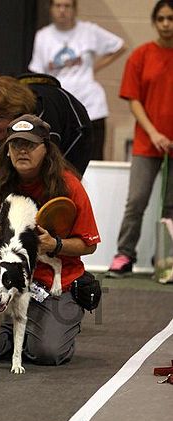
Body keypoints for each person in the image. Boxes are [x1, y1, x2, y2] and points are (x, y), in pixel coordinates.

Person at [0, 114, 100, 366]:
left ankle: (45, 327)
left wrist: (53, 245)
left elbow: (89, 244)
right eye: (15, 145)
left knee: (46, 353)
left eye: (30, 145)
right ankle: (11, 329)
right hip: (3, 278)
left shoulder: (69, 186)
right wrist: (11, 246)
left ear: (46, 149)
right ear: (7, 150)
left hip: (53, 282)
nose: (22, 151)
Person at [108, 0, 173, 277]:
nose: (166, 24)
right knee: (136, 201)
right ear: (154, 22)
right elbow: (134, 101)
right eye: (161, 19)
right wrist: (155, 133)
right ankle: (124, 255)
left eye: (171, 18)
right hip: (148, 143)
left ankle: (166, 261)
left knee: (171, 207)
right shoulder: (141, 56)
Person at [0, 72, 93, 188]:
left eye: (0, 118)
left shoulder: (41, 123)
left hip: (75, 132)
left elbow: (41, 177)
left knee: (55, 192)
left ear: (18, 115)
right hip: (0, 141)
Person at [28, 0, 127, 160]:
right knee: (57, 158)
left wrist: (94, 68)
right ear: (51, 8)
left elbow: (119, 46)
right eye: (58, 6)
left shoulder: (89, 31)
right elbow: (38, 71)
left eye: (67, 6)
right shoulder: (43, 36)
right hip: (60, 105)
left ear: (74, 9)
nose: (62, 11)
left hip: (91, 105)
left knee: (92, 159)